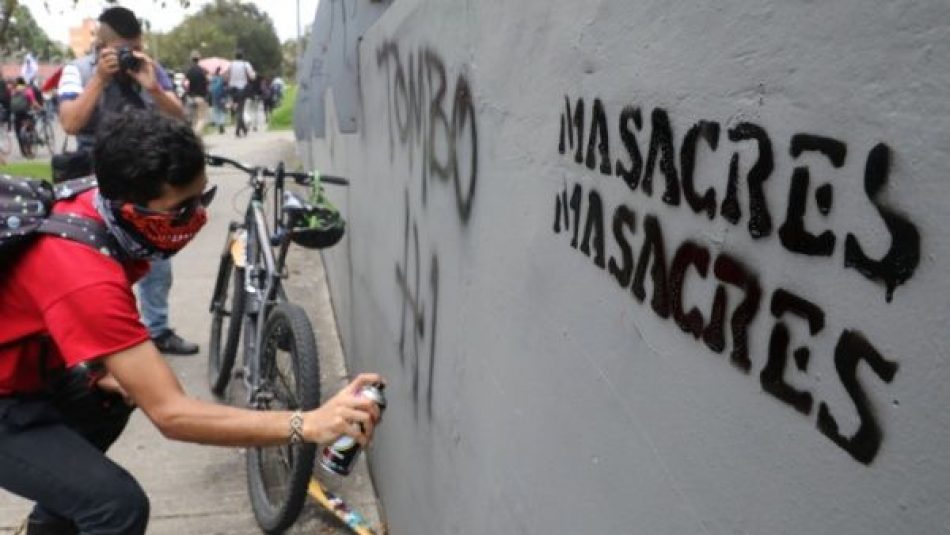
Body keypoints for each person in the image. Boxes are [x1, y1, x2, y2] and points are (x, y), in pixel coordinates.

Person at [0, 108, 385, 535]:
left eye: (204, 197)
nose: (197, 217)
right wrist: (308, 424)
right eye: (181, 210)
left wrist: (100, 367)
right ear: (130, 208)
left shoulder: (100, 202)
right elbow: (172, 415)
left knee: (111, 397)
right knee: (116, 507)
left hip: (28, 372)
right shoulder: (84, 275)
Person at [57, 6, 199, 355]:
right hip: (94, 183)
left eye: (134, 49)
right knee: (98, 268)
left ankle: (158, 330)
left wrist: (153, 89)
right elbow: (71, 123)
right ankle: (100, 346)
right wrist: (100, 80)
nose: (128, 57)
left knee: (156, 262)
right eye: (121, 50)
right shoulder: (77, 72)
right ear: (101, 46)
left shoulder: (149, 69)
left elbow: (181, 119)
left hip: (146, 184)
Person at [225, 50, 255, 137]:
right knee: (240, 110)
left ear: (235, 56)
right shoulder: (246, 64)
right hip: (242, 88)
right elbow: (252, 76)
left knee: (237, 109)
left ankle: (244, 129)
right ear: (242, 57)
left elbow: (226, 76)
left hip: (232, 89)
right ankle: (238, 130)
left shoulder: (230, 64)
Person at [10, 77, 42, 158]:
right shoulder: (28, 91)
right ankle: (29, 149)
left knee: (18, 132)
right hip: (26, 113)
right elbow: (34, 103)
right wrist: (40, 108)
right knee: (30, 129)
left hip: (16, 114)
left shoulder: (13, 92)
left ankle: (23, 151)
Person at [184, 51, 209, 134]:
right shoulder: (202, 71)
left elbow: (185, 83)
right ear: (199, 59)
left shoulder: (188, 71)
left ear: (191, 59)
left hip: (190, 97)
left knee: (193, 119)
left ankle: (192, 136)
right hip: (200, 97)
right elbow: (207, 82)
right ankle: (196, 135)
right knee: (201, 119)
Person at [209, 66, 227, 134]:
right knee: (222, 111)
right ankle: (221, 124)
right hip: (221, 96)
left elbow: (210, 89)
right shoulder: (222, 79)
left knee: (216, 111)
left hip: (214, 97)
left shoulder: (212, 79)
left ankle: (218, 124)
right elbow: (225, 88)